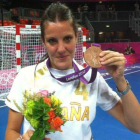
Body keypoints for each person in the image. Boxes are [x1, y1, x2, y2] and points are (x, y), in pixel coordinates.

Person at [5, 2, 140, 140]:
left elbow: (137, 126)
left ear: (76, 36)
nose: (61, 48)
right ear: (43, 41)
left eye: (67, 38)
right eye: (52, 41)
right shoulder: (26, 77)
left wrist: (120, 79)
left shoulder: (91, 78)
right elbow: (11, 131)